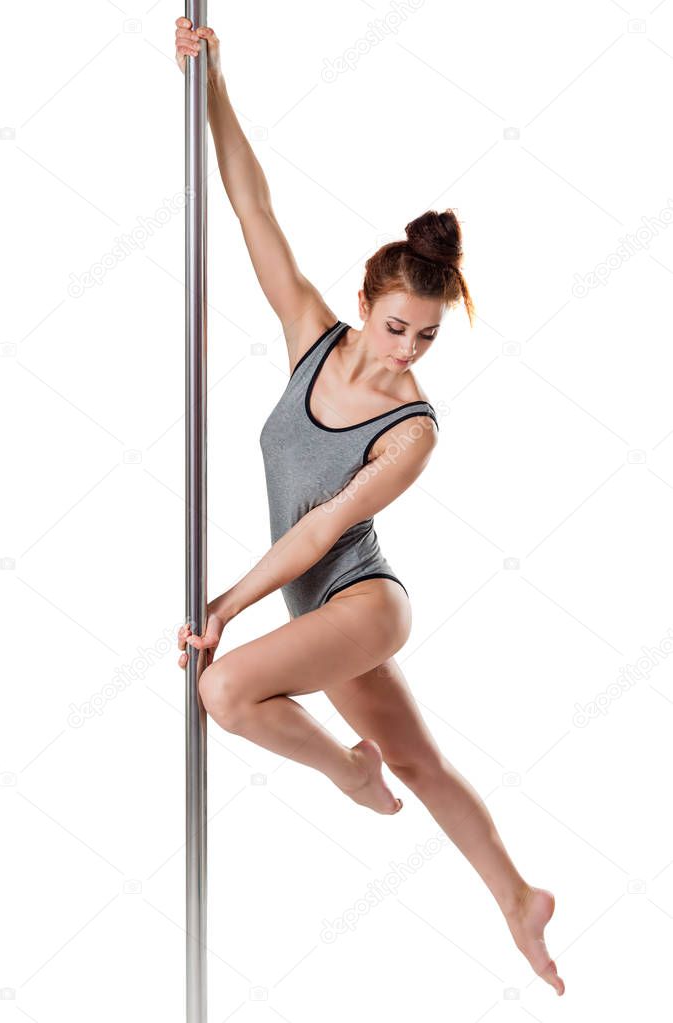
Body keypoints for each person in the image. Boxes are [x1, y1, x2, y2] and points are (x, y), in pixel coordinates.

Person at [174, 17, 565, 997]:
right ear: (366, 297)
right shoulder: (310, 333)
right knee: (421, 768)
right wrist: (209, 78)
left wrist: (223, 606)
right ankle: (518, 897)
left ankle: (348, 777)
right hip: (320, 612)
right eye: (396, 327)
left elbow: (315, 532)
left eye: (426, 339)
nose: (403, 354)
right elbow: (249, 203)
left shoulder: (412, 431)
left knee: (224, 693)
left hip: (360, 602)